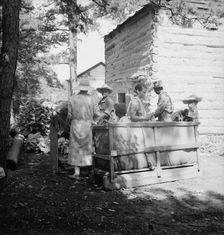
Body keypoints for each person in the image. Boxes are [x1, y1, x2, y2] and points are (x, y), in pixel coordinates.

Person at [67, 80, 99, 179]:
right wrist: (94, 121)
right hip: (87, 125)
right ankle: (88, 171)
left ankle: (77, 172)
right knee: (87, 147)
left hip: (76, 124)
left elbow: (69, 115)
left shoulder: (72, 98)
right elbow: (97, 114)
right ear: (87, 89)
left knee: (75, 147)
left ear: (79, 88)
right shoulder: (92, 99)